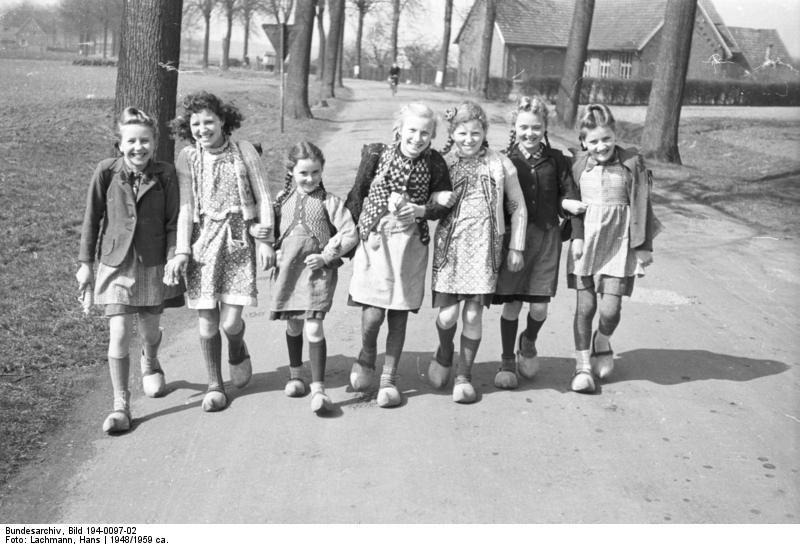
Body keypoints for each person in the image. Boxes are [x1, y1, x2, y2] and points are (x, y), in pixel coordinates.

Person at [165, 92, 275, 412]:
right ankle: (215, 385)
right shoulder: (187, 157)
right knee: (206, 320)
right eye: (195, 123)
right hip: (202, 243)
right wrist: (183, 250)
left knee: (229, 323)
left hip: (239, 238)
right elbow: (186, 208)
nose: (202, 128)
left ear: (223, 120)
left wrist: (266, 240)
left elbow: (264, 199)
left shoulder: (244, 151)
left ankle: (237, 348)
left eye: (208, 121)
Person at [77, 107, 182, 433]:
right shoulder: (106, 172)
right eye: (132, 141)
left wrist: (173, 256)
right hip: (116, 264)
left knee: (149, 331)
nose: (139, 148)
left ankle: (150, 359)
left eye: (145, 141)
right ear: (120, 144)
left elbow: (173, 223)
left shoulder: (165, 175)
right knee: (119, 332)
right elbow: (91, 220)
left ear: (154, 142)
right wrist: (85, 265)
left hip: (152, 266)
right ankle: (121, 404)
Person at [345, 103, 454, 408]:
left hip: (411, 244)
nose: (418, 138)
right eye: (412, 131)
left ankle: (388, 380)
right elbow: (357, 194)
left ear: (432, 136)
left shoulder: (435, 163)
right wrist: (349, 238)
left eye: (425, 133)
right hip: (376, 240)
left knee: (398, 313)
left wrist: (422, 209)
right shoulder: (376, 155)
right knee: (374, 314)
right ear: (399, 130)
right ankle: (367, 354)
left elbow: (443, 203)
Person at [428, 101, 527, 404]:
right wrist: (435, 197)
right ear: (452, 133)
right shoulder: (442, 163)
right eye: (462, 133)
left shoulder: (500, 164)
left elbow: (517, 205)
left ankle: (463, 375)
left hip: (485, 249)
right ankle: (444, 353)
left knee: (472, 314)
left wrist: (516, 246)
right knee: (447, 317)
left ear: (484, 131)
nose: (468, 139)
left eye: (475, 132)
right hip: (450, 249)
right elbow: (427, 202)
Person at [567, 104, 662, 393]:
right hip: (586, 243)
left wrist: (644, 245)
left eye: (606, 139)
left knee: (610, 310)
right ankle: (583, 366)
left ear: (614, 136)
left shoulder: (630, 164)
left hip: (620, 243)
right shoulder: (578, 165)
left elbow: (643, 203)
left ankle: (602, 340)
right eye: (593, 141)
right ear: (584, 142)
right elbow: (571, 202)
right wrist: (577, 235)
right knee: (585, 307)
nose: (601, 146)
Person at [492, 96, 586, 389]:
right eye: (523, 127)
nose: (529, 133)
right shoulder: (504, 159)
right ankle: (507, 359)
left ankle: (528, 341)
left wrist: (572, 219)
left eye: (536, 127)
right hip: (514, 243)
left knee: (539, 309)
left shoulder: (558, 160)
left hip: (547, 240)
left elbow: (569, 196)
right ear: (514, 127)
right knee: (512, 306)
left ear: (545, 127)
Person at [269, 141, 358, 414]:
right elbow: (267, 234)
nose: (310, 179)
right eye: (303, 173)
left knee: (313, 327)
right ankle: (296, 375)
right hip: (287, 274)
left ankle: (318, 389)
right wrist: (272, 252)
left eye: (315, 172)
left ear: (322, 171)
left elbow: (350, 233)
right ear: (291, 172)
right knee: (294, 326)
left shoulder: (329, 201)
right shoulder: (279, 202)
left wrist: (327, 255)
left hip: (316, 273)